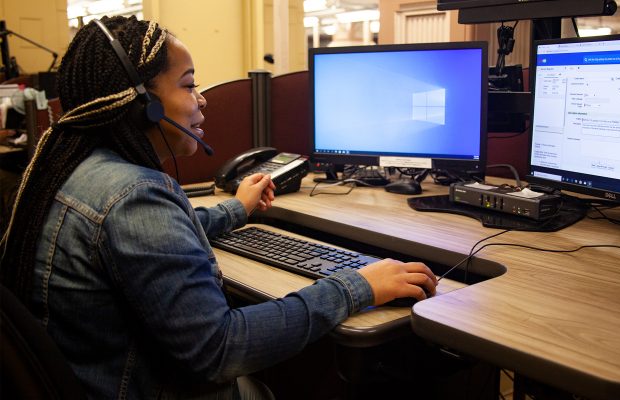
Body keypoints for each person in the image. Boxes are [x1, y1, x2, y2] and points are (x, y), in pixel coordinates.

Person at [0, 16, 438, 399]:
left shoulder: (81, 171)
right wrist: (357, 285)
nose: (203, 98)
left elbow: (162, 235)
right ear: (145, 105)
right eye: (189, 84)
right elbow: (219, 350)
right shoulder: (135, 195)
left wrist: (237, 209)